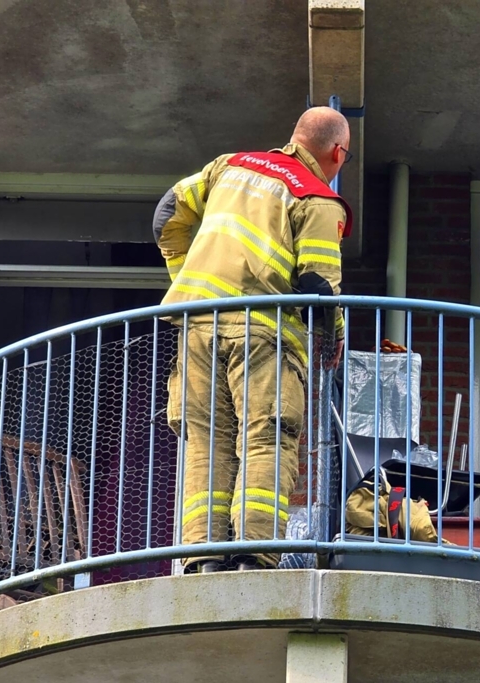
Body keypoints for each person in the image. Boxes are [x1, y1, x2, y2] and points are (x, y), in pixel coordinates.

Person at [154, 107, 353, 573]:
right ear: (338, 152)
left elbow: (166, 216)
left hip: (198, 327)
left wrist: (185, 279)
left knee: (206, 444)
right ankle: (253, 557)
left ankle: (202, 558)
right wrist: (334, 336)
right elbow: (318, 285)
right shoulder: (316, 197)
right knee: (267, 438)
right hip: (265, 334)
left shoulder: (229, 166)